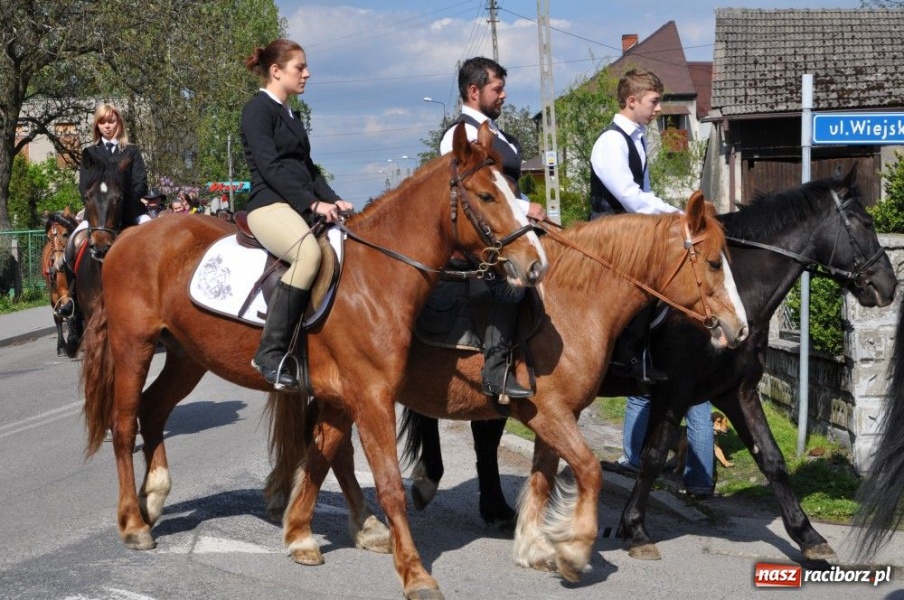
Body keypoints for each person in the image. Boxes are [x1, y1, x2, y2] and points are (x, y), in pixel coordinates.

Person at [591, 68, 715, 498]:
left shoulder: (640, 140)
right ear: (631, 102)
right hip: (609, 237)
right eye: (654, 102)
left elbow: (643, 194)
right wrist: (674, 218)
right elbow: (628, 198)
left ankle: (647, 357)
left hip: (634, 234)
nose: (659, 109)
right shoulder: (610, 141)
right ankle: (627, 355)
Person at [240, 38, 353, 391]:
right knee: (308, 254)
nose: (307, 73)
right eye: (299, 68)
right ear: (276, 71)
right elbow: (271, 168)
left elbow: (307, 167)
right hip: (268, 205)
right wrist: (312, 203)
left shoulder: (292, 114)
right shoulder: (257, 110)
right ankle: (270, 352)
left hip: (295, 203)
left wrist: (334, 199)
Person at [439, 56, 546, 401]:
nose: (504, 95)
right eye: (497, 88)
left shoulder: (498, 135)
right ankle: (496, 371)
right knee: (509, 283)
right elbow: (475, 197)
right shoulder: (460, 137)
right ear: (474, 91)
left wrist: (528, 206)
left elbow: (504, 186)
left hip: (509, 222)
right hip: (479, 236)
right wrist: (523, 208)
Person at [69, 103, 149, 248]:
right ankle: (69, 270)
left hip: (131, 212)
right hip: (96, 215)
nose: (107, 126)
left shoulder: (131, 151)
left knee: (153, 235)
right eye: (102, 122)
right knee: (73, 243)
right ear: (97, 126)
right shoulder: (90, 152)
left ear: (119, 123)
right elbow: (83, 187)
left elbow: (141, 184)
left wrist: (121, 203)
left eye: (111, 122)